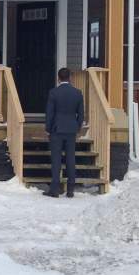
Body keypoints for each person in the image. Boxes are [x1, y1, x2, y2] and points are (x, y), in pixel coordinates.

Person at [44, 67, 84, 198]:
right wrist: (77, 127)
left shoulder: (53, 92)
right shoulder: (77, 93)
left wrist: (48, 128)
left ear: (58, 78)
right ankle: (71, 189)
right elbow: (81, 114)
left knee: (56, 159)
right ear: (70, 78)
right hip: (71, 130)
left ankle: (55, 189)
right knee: (70, 158)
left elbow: (50, 113)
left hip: (57, 129)